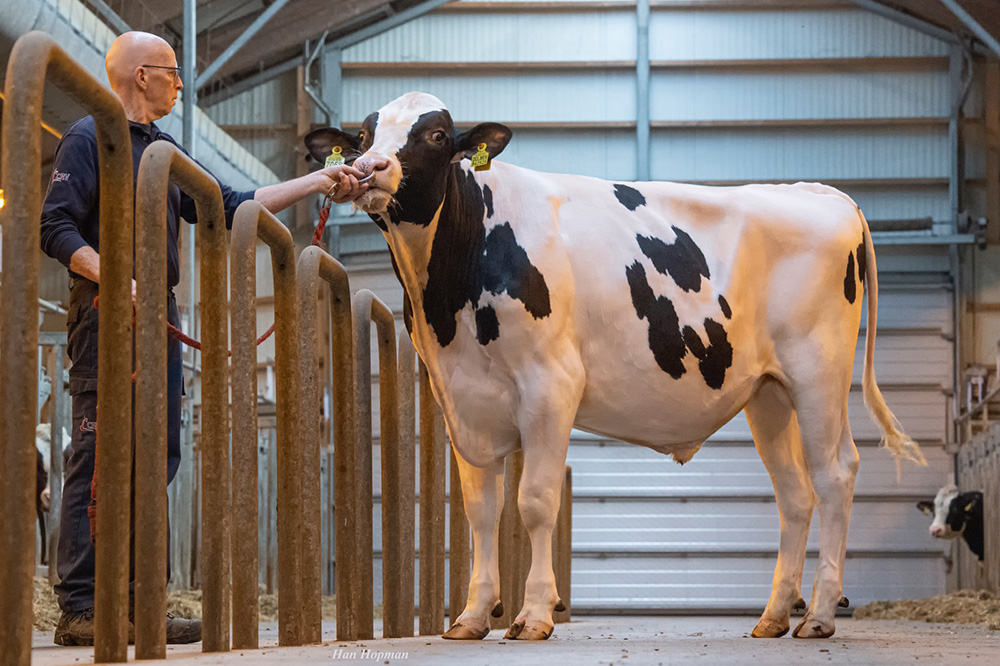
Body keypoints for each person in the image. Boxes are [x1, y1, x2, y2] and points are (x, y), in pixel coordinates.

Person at [39, 31, 371, 646]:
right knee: (98, 454)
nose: (180, 83)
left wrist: (318, 183)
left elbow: (230, 203)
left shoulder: (163, 150)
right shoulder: (90, 137)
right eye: (172, 71)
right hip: (107, 311)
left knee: (156, 455)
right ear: (142, 76)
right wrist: (114, 276)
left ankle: (139, 600)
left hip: (158, 315)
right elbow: (53, 225)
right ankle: (82, 606)